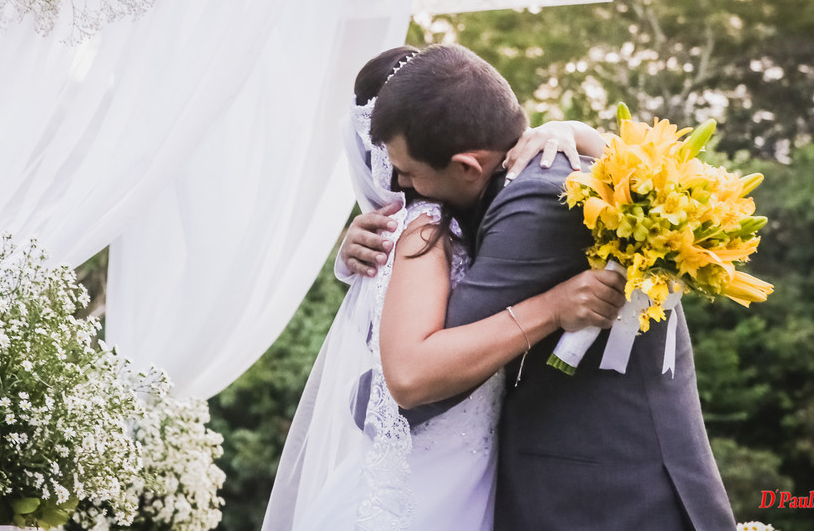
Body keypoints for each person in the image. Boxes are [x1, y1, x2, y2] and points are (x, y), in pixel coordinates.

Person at [342, 43, 737, 531]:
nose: (400, 185)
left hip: (612, 495)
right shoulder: (524, 176)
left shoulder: (532, 198)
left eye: (409, 173)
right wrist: (371, 270)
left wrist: (366, 400)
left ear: (467, 164)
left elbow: (418, 380)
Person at [261, 46, 626, 531]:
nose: (399, 181)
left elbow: (641, 178)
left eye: (407, 168)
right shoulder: (424, 223)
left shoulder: (463, 211)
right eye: (392, 166)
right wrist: (554, 308)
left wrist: (575, 131)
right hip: (423, 486)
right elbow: (409, 375)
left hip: (465, 472)